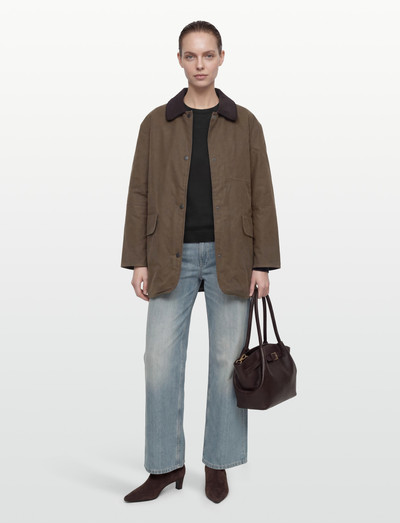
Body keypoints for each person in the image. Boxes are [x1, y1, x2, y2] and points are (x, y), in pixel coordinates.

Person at [120, 20, 281, 504]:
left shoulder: (245, 123)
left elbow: (262, 195)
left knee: (226, 364)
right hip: (169, 256)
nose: (200, 65)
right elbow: (139, 192)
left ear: (222, 58)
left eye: (208, 55)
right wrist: (137, 260)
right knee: (159, 362)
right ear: (179, 60)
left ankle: (218, 462)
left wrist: (262, 264)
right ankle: (165, 464)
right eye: (190, 56)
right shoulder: (156, 123)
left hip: (232, 256)